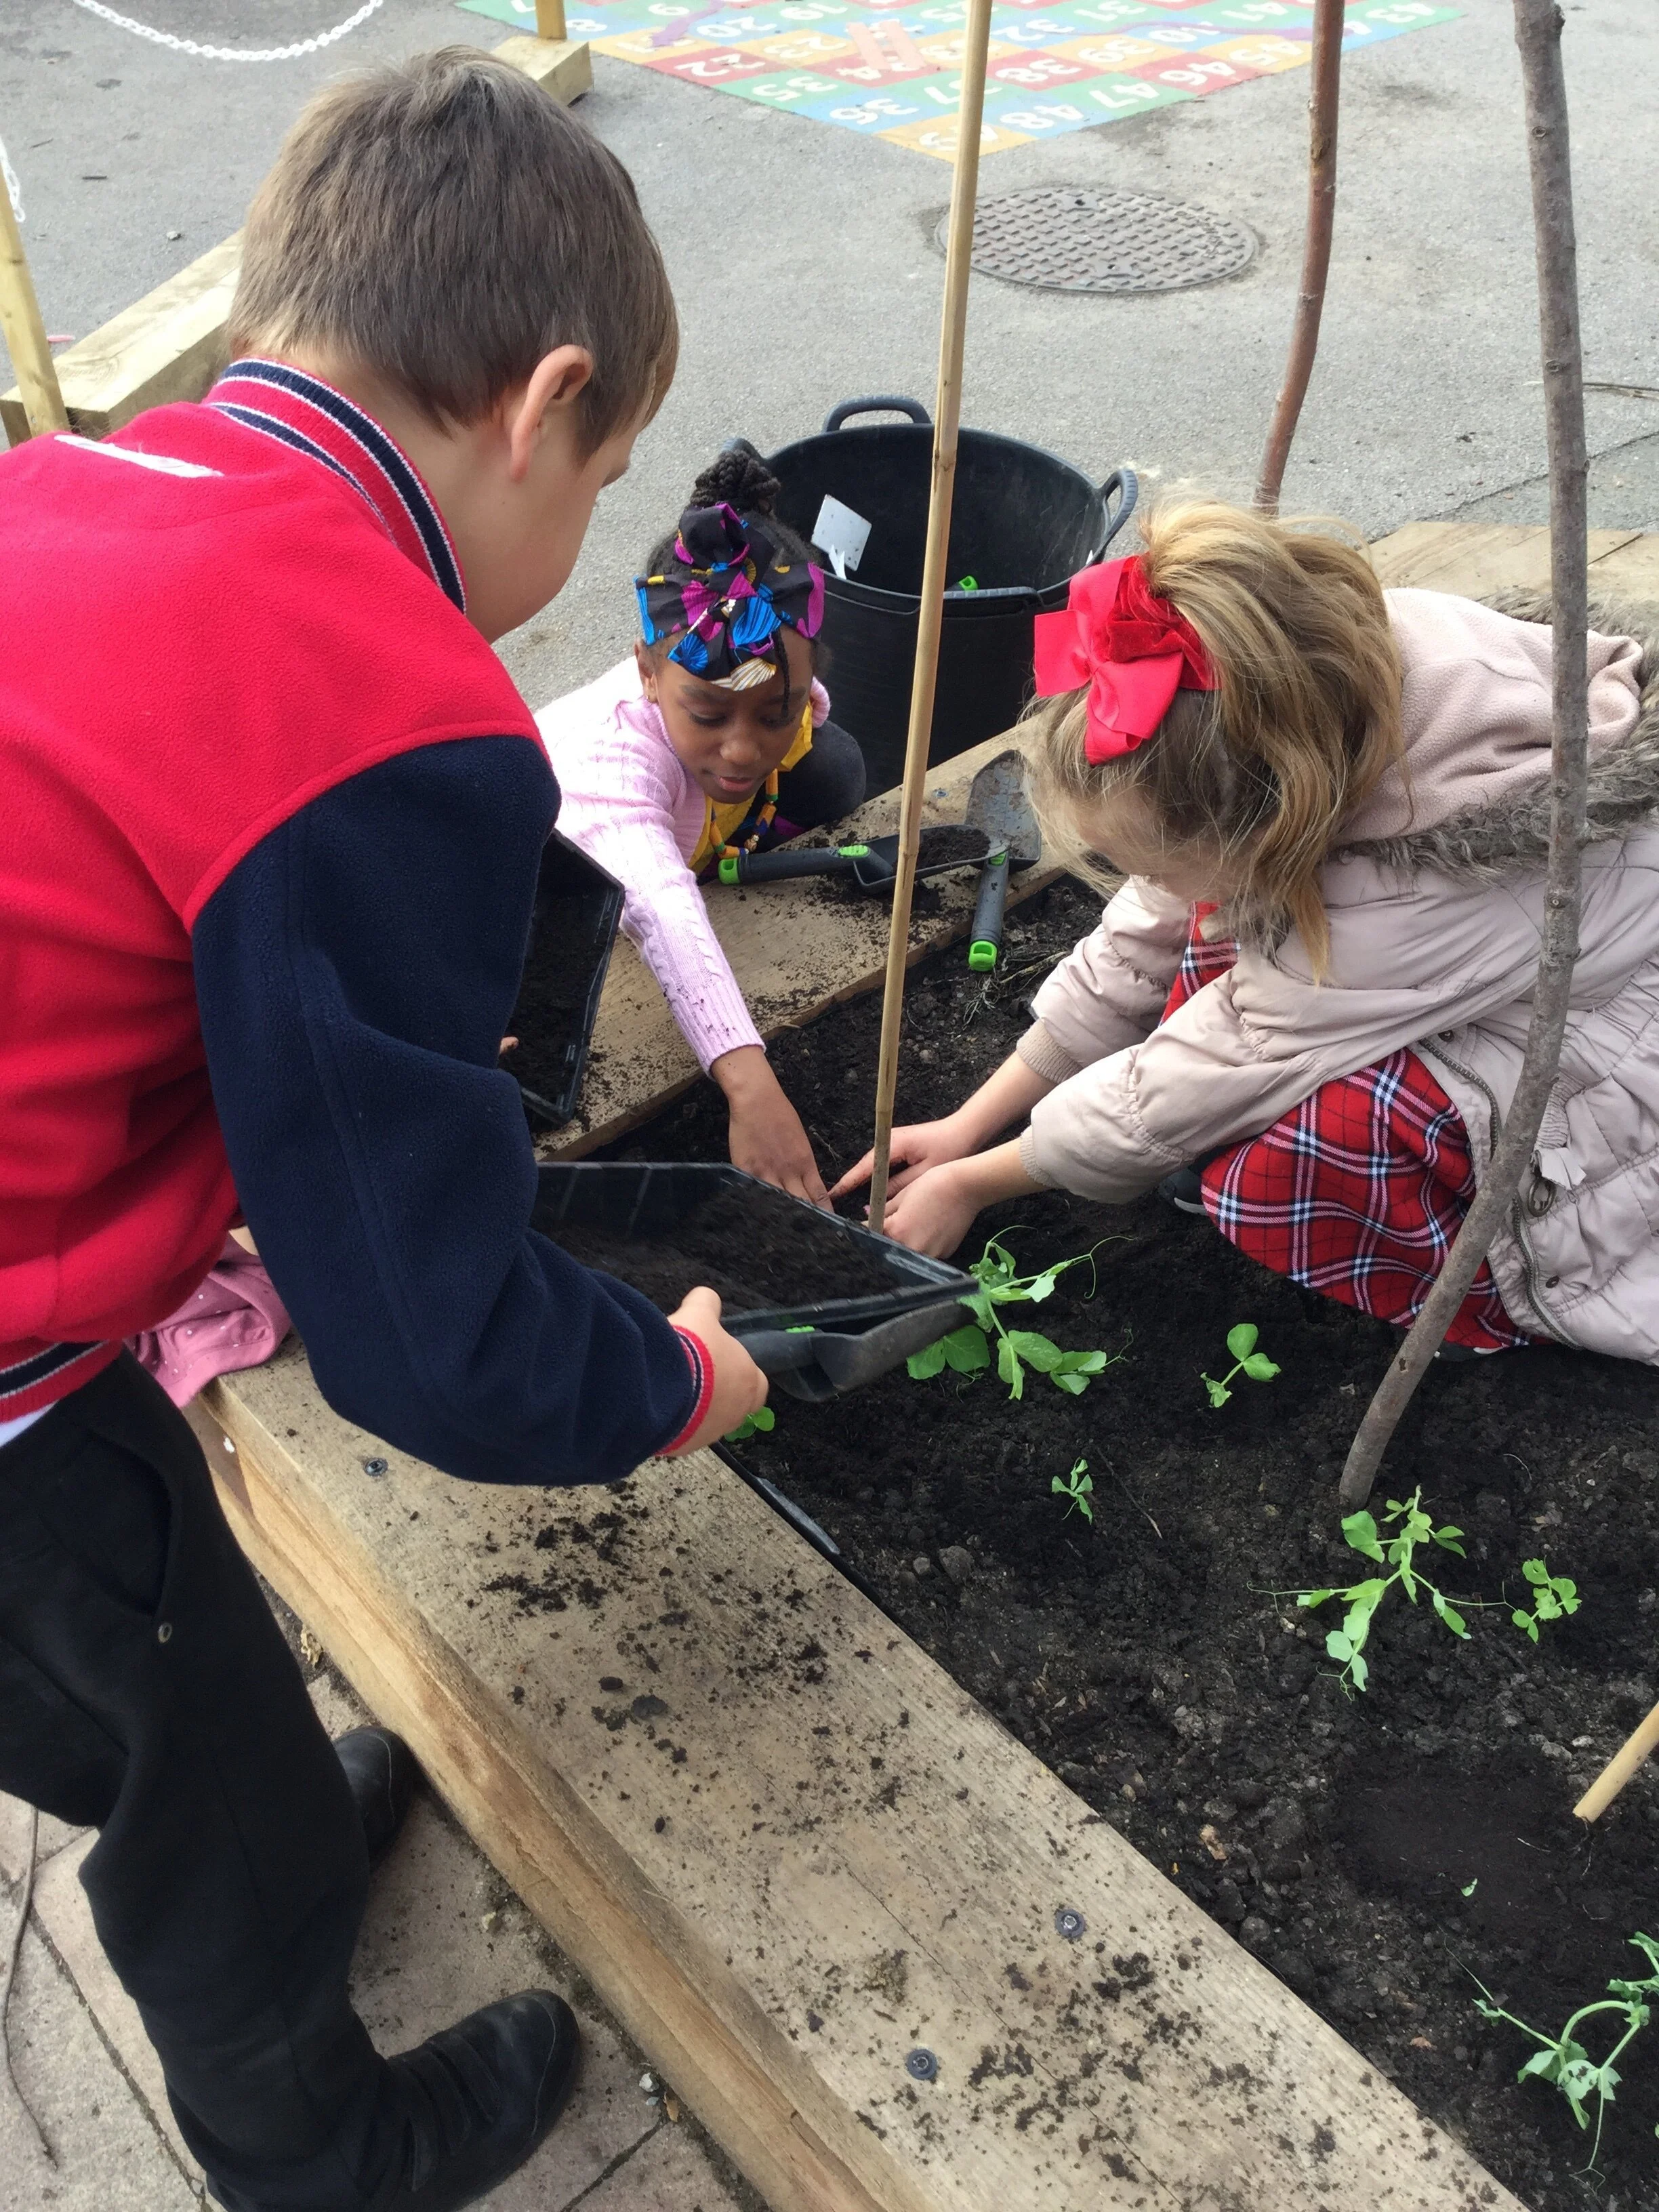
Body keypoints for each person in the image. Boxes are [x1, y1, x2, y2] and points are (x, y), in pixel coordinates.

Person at [0, 51, 765, 2212]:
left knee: (162, 1650)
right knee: (160, 1706)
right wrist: (674, 1379)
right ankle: (311, 2142)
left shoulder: (73, 489)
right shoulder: (376, 691)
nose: (572, 536)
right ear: (543, 405)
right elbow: (423, 1334)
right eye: (600, 482)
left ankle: (220, 1787)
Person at [835, 497, 1659, 1361]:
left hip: (1601, 1062)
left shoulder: (1401, 899)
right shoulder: (1289, 705)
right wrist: (971, 1120)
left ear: (1265, 826)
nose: (1139, 885)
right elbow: (1148, 930)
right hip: (1489, 966)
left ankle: (1476, 1306)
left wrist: (972, 1183)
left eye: (1149, 861)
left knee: (1274, 1173)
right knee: (1205, 932)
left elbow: (1188, 1083)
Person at [538, 449, 867, 1204]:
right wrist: (751, 1089)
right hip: (552, 886)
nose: (744, 747)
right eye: (710, 715)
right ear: (647, 674)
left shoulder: (762, 666)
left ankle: (732, 840)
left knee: (836, 766)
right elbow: (658, 905)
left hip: (689, 825)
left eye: (774, 714)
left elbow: (774, 714)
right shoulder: (610, 763)